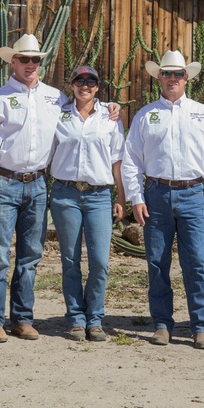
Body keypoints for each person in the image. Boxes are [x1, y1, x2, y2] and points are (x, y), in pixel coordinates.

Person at [121, 50, 204, 350]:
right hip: (156, 194)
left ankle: (201, 326)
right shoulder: (146, 115)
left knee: (196, 261)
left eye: (178, 74)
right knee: (157, 262)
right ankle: (161, 323)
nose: (172, 79)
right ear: (159, 77)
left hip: (193, 193)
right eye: (167, 74)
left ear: (187, 78)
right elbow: (131, 160)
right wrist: (136, 197)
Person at [0, 34, 68, 343]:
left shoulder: (56, 97)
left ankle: (22, 318)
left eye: (35, 59)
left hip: (38, 183)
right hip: (4, 181)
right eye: (24, 59)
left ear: (41, 62)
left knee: (31, 254)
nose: (30, 64)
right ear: (13, 62)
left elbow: (83, 113)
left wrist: (110, 110)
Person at [50, 65, 126, 342]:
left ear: (97, 86)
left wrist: (121, 197)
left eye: (90, 81)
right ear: (71, 85)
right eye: (79, 80)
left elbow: (118, 159)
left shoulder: (110, 117)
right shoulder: (59, 114)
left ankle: (95, 319)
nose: (85, 85)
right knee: (70, 260)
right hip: (65, 193)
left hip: (98, 195)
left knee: (99, 261)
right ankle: (76, 319)